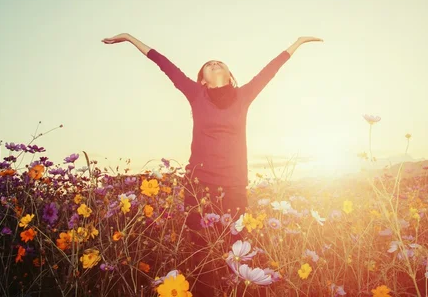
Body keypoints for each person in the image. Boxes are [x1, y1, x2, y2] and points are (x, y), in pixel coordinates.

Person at [101, 33, 323, 296]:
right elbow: (164, 64)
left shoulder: (244, 95)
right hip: (199, 188)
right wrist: (129, 38)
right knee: (202, 256)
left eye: (220, 62)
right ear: (202, 79)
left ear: (230, 75)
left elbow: (270, 70)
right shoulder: (196, 94)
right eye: (209, 64)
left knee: (237, 256)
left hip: (234, 188)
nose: (215, 63)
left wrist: (297, 43)